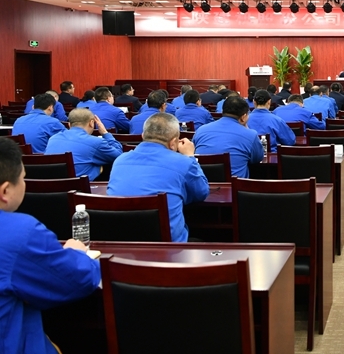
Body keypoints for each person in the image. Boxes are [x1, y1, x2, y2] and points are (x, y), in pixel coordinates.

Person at [0, 137, 101, 354]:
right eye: (23, 178)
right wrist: (78, 254)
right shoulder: (20, 234)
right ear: (5, 191)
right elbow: (80, 279)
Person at [108, 113, 209, 242]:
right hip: (169, 248)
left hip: (121, 243)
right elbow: (201, 193)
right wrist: (190, 156)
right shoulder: (184, 163)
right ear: (173, 143)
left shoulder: (119, 160)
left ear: (143, 136)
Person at [194, 97, 263, 179]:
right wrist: (246, 128)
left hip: (202, 183)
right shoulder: (250, 135)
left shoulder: (201, 130)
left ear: (222, 111)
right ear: (244, 117)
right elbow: (257, 159)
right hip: (235, 186)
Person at [45, 109, 122, 181]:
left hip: (51, 185)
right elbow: (119, 156)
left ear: (69, 124)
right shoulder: (96, 142)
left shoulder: (53, 138)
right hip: (79, 186)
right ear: (91, 123)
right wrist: (105, 133)